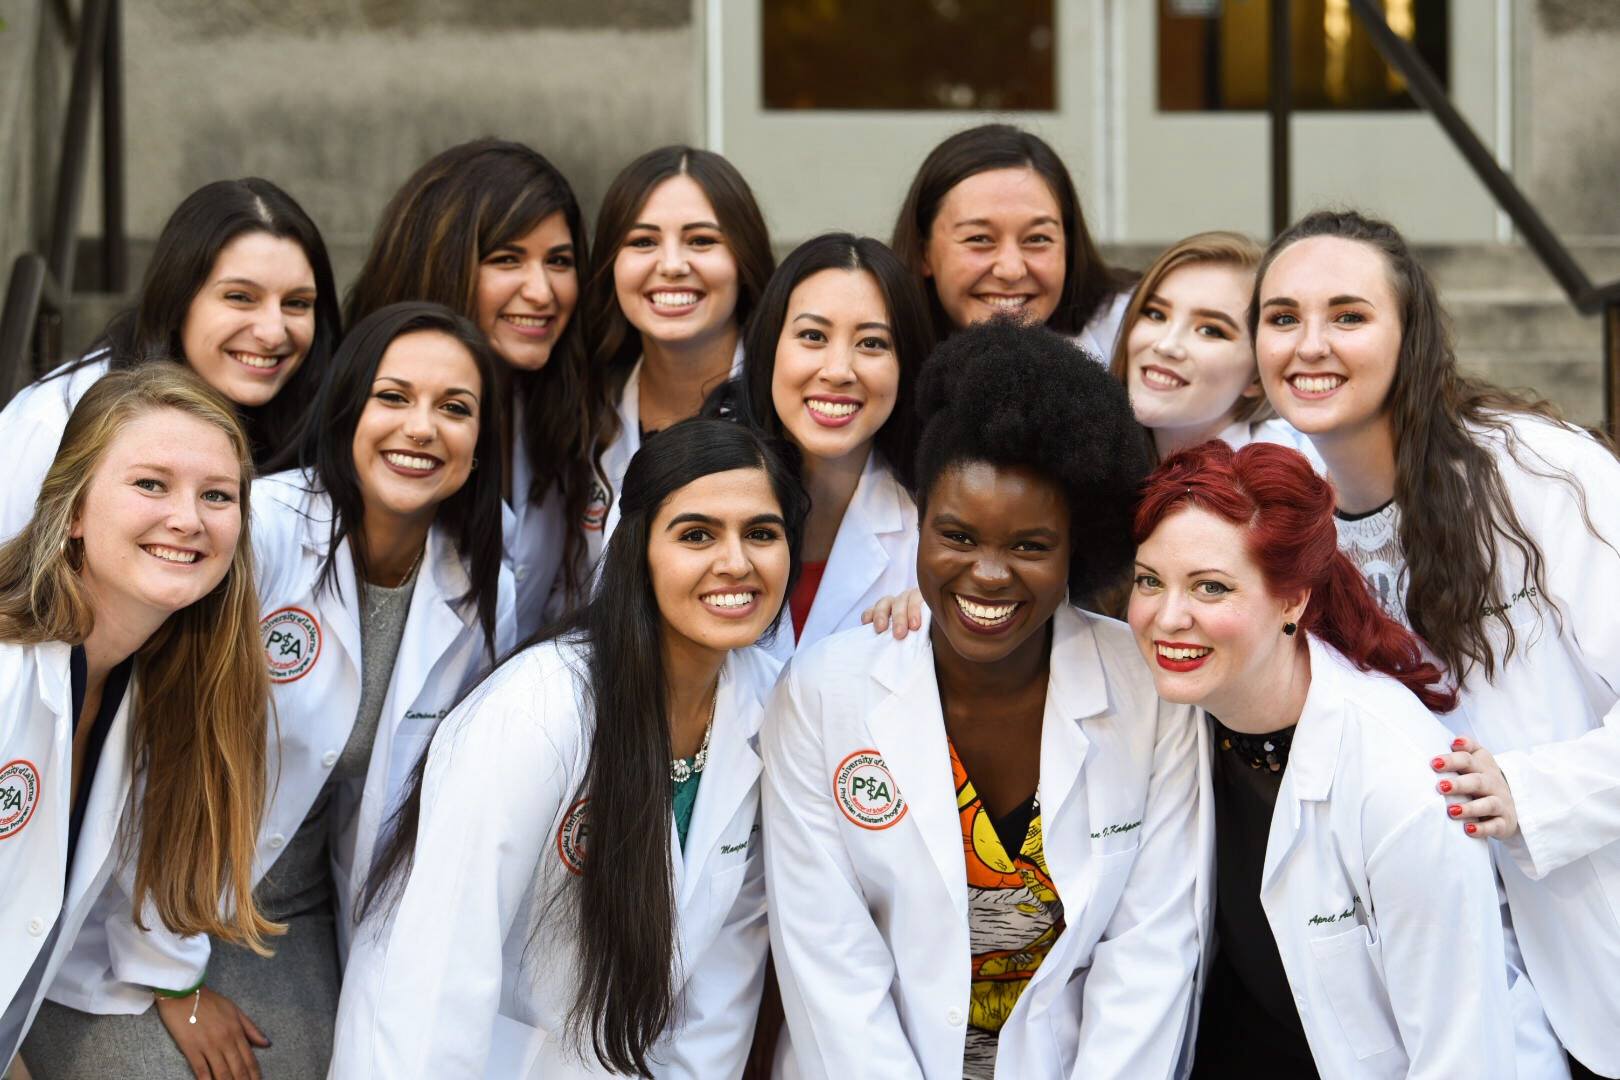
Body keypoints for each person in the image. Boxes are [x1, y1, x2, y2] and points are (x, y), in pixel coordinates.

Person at [31, 303, 514, 1079]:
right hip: (143, 908)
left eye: (454, 409)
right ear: (348, 408)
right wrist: (173, 979)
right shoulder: (253, 533)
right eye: (393, 397)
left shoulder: (483, 589)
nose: (421, 427)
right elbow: (160, 755)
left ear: (482, 443)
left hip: (291, 918)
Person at [764, 318, 1202, 1080]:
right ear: (919, 530)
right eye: (957, 536)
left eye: (1029, 546)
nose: (988, 574)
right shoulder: (822, 694)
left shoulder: (1149, 691)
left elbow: (1151, 952)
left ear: (1078, 548)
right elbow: (830, 966)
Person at [1252, 209, 1620, 1079]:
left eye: (1348, 315)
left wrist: (1532, 791)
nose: (1310, 344)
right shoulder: (1280, 509)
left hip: (1591, 940)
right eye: (1282, 317)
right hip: (1437, 976)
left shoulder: (1542, 475)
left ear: (1409, 334)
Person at [329, 418, 804, 1078]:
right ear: (636, 549)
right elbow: (432, 967)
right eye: (697, 534)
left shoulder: (771, 707)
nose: (736, 561)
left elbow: (722, 981)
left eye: (762, 533)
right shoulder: (539, 706)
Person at [1130, 439, 1562, 1079]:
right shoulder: (1181, 709)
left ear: (1292, 600)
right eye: (1148, 581)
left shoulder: (1400, 779)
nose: (1168, 617)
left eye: (1210, 588)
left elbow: (1461, 1056)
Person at [2, 365, 272, 1078]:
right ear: (76, 510)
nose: (188, 518)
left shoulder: (153, 687)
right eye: (151, 484)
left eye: (217, 495)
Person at [345, 139, 597, 631]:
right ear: (440, 263)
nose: (542, 291)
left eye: (560, 262)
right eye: (507, 259)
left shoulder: (563, 415)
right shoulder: (365, 418)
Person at [0, 178, 341, 541]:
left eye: (297, 303)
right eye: (240, 297)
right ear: (178, 299)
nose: (274, 332)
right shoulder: (52, 423)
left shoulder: (322, 425)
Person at [724, 232, 931, 660]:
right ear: (770, 348)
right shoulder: (680, 488)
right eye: (813, 336)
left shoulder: (933, 530)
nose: (838, 371)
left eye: (872, 343)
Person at [583, 145, 774, 560]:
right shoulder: (581, 411)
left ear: (744, 259)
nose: (671, 265)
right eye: (643, 241)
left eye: (701, 240)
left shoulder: (790, 406)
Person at [889, 123, 1134, 360]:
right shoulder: (874, 349)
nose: (1011, 270)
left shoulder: (1136, 335)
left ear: (1068, 248)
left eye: (1037, 239)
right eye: (979, 239)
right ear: (923, 252)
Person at [1109, 231, 1315, 464]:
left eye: (1210, 330)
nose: (1166, 345)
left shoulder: (1287, 485)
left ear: (1258, 378)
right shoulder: (1093, 462)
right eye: (1156, 314)